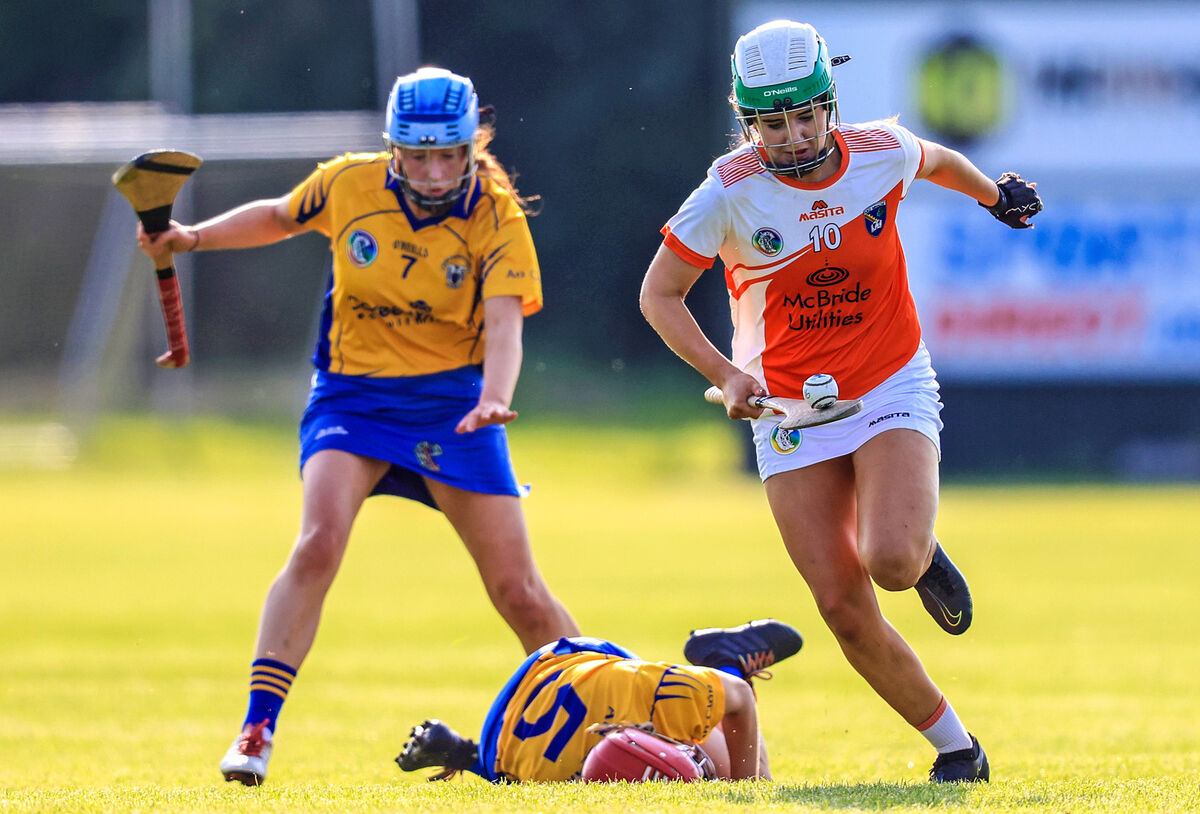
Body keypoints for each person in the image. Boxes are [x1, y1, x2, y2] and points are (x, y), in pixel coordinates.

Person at [134, 66, 582, 785]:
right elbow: (280, 216)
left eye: (450, 156)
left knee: (520, 594)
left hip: (456, 408)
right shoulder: (348, 185)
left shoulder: (497, 216)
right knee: (317, 543)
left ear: (473, 147)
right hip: (354, 401)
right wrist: (187, 240)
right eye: (418, 156)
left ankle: (610, 716)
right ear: (393, 148)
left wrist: (496, 395)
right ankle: (256, 730)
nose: (435, 173)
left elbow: (504, 325)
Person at [639, 20, 1044, 784]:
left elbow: (939, 160)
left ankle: (915, 549)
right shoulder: (726, 192)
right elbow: (659, 295)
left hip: (890, 381)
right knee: (843, 608)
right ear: (747, 120)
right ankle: (960, 750)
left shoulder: (878, 152)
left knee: (890, 561)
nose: (791, 137)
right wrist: (727, 374)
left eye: (803, 116)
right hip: (788, 412)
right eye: (770, 122)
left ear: (829, 105)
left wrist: (995, 196)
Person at [394, 619, 804, 782]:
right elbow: (494, 767)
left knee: (729, 767)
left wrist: (752, 789)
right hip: (510, 720)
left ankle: (724, 661)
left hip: (570, 662)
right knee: (722, 769)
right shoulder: (538, 776)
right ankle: (727, 661)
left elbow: (738, 702)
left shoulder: (656, 691)